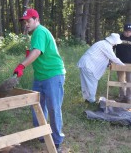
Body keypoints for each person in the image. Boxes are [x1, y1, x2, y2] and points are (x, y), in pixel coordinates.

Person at [12, 8, 66, 152]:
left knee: (53, 107)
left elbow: (36, 52)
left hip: (53, 75)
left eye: (28, 21)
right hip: (40, 76)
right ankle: (41, 134)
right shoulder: (36, 34)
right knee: (36, 105)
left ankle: (56, 141)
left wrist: (21, 65)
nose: (26, 24)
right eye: (25, 22)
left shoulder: (40, 31)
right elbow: (36, 53)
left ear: (36, 19)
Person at [78, 33, 125, 103]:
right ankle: (91, 101)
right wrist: (124, 66)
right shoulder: (106, 46)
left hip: (84, 64)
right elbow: (114, 58)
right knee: (92, 83)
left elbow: (101, 57)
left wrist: (107, 63)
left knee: (86, 83)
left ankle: (87, 99)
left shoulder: (102, 43)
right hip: (89, 65)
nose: (116, 44)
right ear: (113, 41)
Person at [114, 23, 131, 103]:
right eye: (126, 31)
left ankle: (129, 97)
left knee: (129, 80)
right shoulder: (118, 37)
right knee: (121, 80)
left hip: (130, 64)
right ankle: (121, 96)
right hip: (119, 62)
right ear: (123, 31)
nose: (128, 33)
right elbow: (112, 48)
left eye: (130, 31)